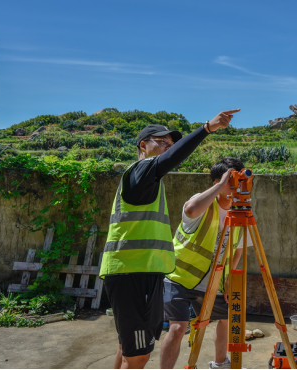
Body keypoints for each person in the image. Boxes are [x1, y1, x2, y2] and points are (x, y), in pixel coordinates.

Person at [99, 110, 240, 369]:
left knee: (129, 346)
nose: (167, 147)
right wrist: (207, 128)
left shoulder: (150, 183)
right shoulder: (140, 172)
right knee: (139, 355)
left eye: (169, 144)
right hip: (132, 271)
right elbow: (172, 161)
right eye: (161, 142)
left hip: (146, 271)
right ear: (143, 145)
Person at [160, 157, 253, 369]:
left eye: (239, 180)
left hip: (215, 281)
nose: (236, 186)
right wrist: (222, 185)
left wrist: (228, 278)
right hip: (180, 278)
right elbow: (191, 210)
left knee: (226, 319)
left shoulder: (241, 210)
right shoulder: (202, 202)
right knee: (177, 328)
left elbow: (238, 249)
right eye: (231, 181)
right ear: (217, 183)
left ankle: (220, 363)